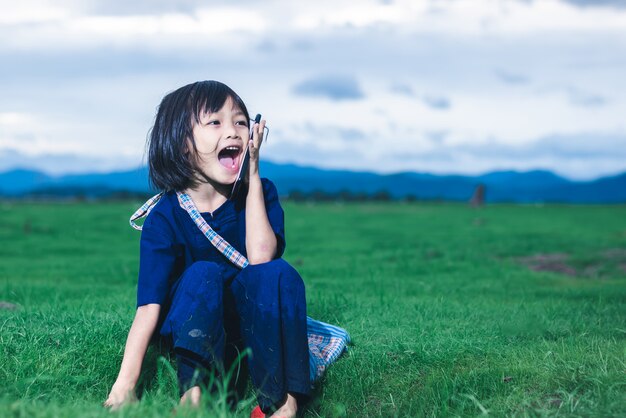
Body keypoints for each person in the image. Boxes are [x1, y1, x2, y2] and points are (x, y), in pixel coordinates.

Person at [104, 80, 313, 418]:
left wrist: (254, 172)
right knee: (203, 273)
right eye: (215, 122)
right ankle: (192, 399)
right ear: (183, 144)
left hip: (251, 330)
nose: (233, 131)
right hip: (196, 331)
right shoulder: (165, 216)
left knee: (279, 271)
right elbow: (148, 308)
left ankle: (283, 405)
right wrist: (124, 385)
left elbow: (261, 257)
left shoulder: (259, 194)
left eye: (241, 122)